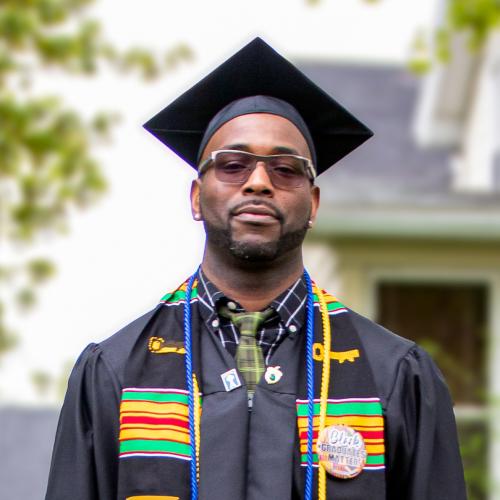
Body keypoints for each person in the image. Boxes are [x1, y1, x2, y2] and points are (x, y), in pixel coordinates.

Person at [45, 38, 466, 500]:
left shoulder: (394, 375)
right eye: (232, 165)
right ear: (195, 197)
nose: (259, 182)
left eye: (285, 169)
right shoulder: (116, 371)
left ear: (314, 204)